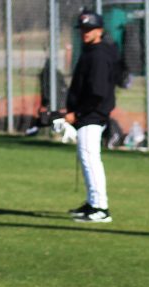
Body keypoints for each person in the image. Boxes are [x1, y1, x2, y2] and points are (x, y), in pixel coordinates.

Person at [61, 10, 120, 224]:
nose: (85, 32)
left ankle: (100, 208)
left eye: (90, 29)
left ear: (100, 30)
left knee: (90, 159)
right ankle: (91, 202)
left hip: (91, 115)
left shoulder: (98, 54)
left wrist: (76, 114)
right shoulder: (92, 51)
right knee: (87, 158)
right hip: (89, 113)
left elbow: (98, 92)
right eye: (83, 29)